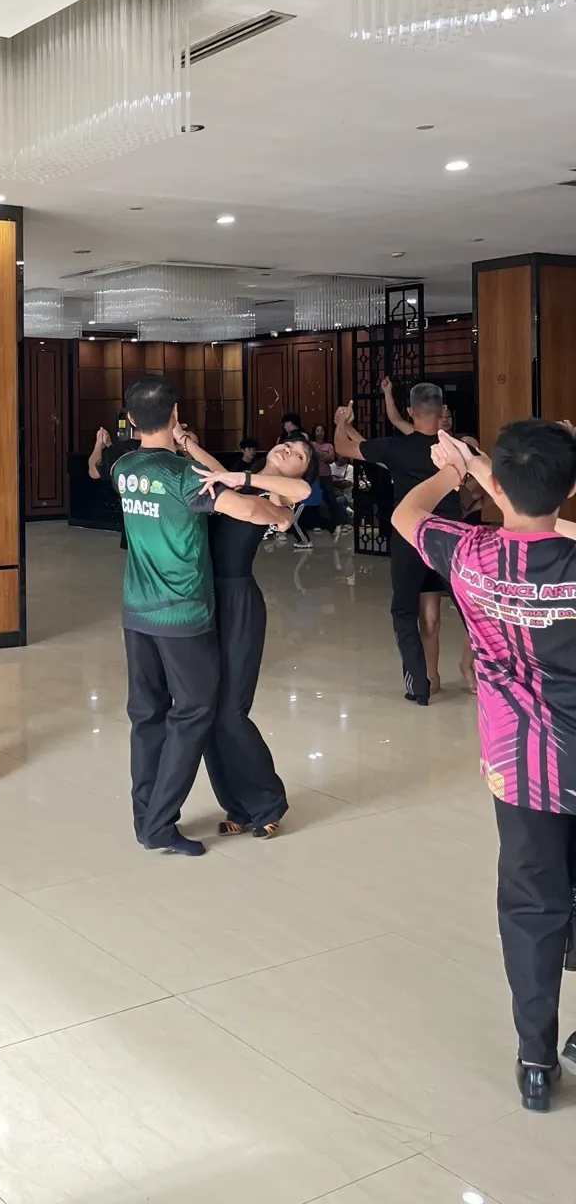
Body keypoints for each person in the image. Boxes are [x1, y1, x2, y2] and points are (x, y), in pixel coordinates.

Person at [392, 421, 576, 1113]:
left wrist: (454, 472)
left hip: (521, 764)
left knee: (531, 903)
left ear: (497, 484)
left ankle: (535, 1059)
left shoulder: (469, 552)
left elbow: (406, 515)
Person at [111, 376, 294, 858]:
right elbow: (248, 512)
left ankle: (144, 816)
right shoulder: (183, 477)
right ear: (174, 416)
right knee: (193, 713)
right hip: (183, 615)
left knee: (147, 715)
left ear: (131, 421)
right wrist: (274, 512)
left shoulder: (124, 466)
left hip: (136, 611)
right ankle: (159, 825)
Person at [186, 433, 313, 839]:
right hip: (203, 597)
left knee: (232, 712)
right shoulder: (233, 483)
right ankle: (237, 804)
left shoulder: (281, 498)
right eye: (287, 445)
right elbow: (211, 469)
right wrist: (185, 441)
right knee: (207, 711)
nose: (289, 452)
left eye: (298, 455)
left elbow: (302, 490)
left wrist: (240, 475)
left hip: (239, 601)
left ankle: (268, 801)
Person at [334, 383, 461, 704]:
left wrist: (341, 424)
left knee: (405, 612)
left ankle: (420, 685)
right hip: (449, 539)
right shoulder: (457, 449)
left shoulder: (396, 447)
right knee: (469, 611)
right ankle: (488, 677)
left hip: (410, 537)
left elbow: (344, 448)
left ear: (410, 411)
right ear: (442, 409)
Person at [89, 423, 140, 551]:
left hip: (132, 521)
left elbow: (94, 472)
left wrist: (99, 444)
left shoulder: (118, 451)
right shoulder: (167, 452)